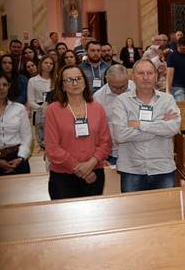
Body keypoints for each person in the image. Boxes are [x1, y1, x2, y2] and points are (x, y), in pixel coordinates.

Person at [110, 59, 181, 192]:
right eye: (141, 73)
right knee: (133, 212)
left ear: (156, 76)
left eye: (150, 73)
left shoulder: (167, 100)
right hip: (132, 169)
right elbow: (120, 135)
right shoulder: (121, 101)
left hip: (162, 168)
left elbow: (173, 128)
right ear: (133, 77)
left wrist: (140, 125)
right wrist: (159, 124)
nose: (146, 77)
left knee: (164, 211)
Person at [45, 64, 112, 198]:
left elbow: (106, 142)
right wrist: (80, 168)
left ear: (85, 82)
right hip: (63, 177)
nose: (75, 83)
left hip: (94, 173)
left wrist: (90, 164)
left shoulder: (97, 108)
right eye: (69, 80)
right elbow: (52, 148)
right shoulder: (53, 110)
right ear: (62, 86)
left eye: (78, 78)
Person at [0, 73, 33, 176]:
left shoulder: (19, 108)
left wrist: (21, 157)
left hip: (18, 158)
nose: (1, 88)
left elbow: (27, 136)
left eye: (5, 85)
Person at [93, 64, 135, 167]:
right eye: (115, 87)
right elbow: (96, 130)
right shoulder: (98, 97)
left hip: (136, 151)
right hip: (111, 153)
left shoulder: (138, 89)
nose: (119, 91)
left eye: (123, 86)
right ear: (107, 80)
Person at [27, 55, 56, 149]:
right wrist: (42, 108)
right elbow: (30, 101)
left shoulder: (56, 79)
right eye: (46, 63)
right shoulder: (33, 81)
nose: (49, 65)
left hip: (55, 111)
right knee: (43, 140)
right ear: (41, 64)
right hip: (39, 111)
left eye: (51, 63)